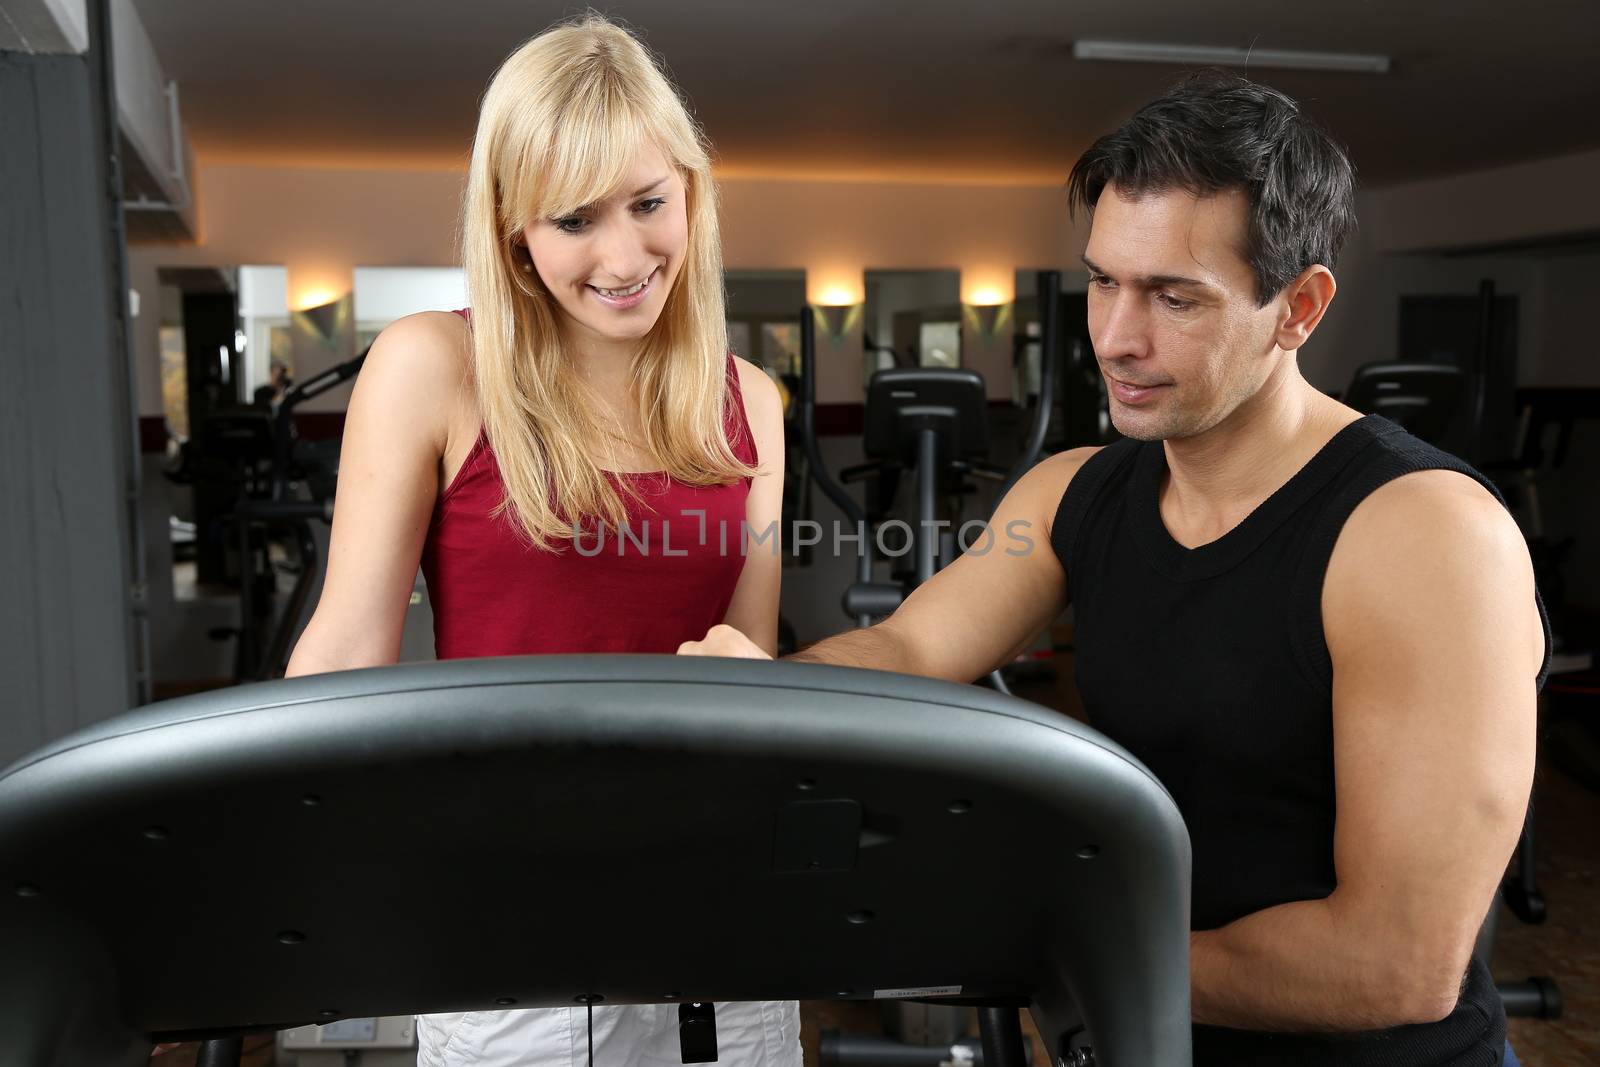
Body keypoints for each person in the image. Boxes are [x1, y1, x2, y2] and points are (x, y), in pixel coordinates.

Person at [682, 71, 1544, 1067]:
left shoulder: (1422, 534)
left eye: (1175, 296)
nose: (1117, 339)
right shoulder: (1073, 492)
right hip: (1147, 1036)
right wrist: (749, 699)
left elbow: (1394, 964)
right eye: (1103, 280)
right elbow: (911, 642)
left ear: (1298, 307)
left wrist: (1047, 945)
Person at [283, 15, 795, 1067]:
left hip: (715, 895)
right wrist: (301, 883)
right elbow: (340, 658)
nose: (625, 255)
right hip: (506, 895)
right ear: (516, 229)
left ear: (692, 193)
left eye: (650, 203)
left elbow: (750, 667)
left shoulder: (752, 403)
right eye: (574, 219)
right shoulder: (432, 366)